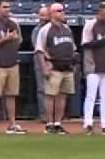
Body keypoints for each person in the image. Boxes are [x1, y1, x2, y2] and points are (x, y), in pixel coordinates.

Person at [0, 0, 26, 134]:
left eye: (8, 7)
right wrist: (5, 39)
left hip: (12, 63)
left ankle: (12, 123)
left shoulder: (14, 23)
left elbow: (19, 40)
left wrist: (11, 40)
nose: (7, 9)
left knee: (11, 94)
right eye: (4, 7)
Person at [35, 2, 77, 134]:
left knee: (62, 96)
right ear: (52, 13)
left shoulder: (67, 29)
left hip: (67, 67)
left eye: (62, 10)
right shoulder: (45, 29)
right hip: (53, 67)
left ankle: (58, 123)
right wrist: (44, 68)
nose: (62, 13)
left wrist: (73, 64)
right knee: (50, 96)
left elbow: (72, 48)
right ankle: (49, 123)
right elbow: (39, 50)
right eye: (58, 11)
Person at [82, 2, 105, 135]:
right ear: (100, 12)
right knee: (91, 96)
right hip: (93, 65)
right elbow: (85, 44)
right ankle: (88, 122)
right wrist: (103, 41)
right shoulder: (90, 24)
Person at [31, 6, 50, 122]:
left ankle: (54, 116)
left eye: (45, 15)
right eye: (41, 15)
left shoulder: (54, 28)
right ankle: (44, 115)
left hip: (54, 61)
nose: (43, 18)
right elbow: (37, 46)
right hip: (40, 60)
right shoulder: (36, 30)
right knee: (42, 89)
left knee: (55, 89)